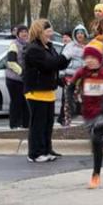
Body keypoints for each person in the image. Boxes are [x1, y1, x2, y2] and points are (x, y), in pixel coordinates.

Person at [73, 46, 103, 188]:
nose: (90, 61)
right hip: (87, 113)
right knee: (96, 143)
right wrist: (72, 103)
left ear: (99, 60)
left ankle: (96, 175)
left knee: (95, 141)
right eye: (87, 58)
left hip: (102, 112)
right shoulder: (81, 73)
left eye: (93, 58)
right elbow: (71, 87)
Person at [23, 19, 69, 163]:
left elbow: (58, 65)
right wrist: (66, 54)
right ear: (39, 32)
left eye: (50, 30)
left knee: (48, 124)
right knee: (38, 124)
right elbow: (49, 64)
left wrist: (65, 58)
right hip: (36, 92)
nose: (50, 34)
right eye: (47, 31)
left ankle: (46, 149)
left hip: (48, 91)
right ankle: (35, 153)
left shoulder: (49, 47)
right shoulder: (33, 49)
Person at [59, 24, 89, 126]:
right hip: (70, 76)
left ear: (85, 34)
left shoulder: (88, 46)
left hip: (84, 77)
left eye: (82, 33)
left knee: (84, 99)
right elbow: (63, 59)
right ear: (74, 35)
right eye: (78, 33)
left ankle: (86, 122)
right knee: (69, 99)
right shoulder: (70, 46)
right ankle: (67, 121)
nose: (80, 35)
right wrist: (61, 73)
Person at [5, 24, 30, 129]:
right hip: (14, 79)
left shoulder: (29, 44)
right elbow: (11, 62)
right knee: (16, 102)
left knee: (26, 103)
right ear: (18, 34)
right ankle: (14, 124)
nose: (24, 34)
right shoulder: (14, 45)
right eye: (22, 32)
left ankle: (26, 125)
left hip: (24, 79)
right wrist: (22, 72)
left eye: (26, 32)